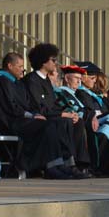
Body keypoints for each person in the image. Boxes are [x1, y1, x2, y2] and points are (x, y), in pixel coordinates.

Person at [0, 52, 74, 179]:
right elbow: (9, 107)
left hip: (22, 119)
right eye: (20, 66)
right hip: (9, 121)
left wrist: (35, 113)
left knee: (55, 122)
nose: (23, 69)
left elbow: (27, 104)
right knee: (48, 126)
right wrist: (30, 116)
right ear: (10, 66)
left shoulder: (17, 83)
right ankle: (50, 167)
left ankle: (61, 165)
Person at [23, 43, 89, 178]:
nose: (55, 63)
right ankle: (56, 165)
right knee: (62, 122)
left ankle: (74, 164)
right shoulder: (32, 80)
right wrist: (62, 114)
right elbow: (38, 107)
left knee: (78, 122)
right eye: (53, 60)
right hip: (37, 118)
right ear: (43, 61)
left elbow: (53, 104)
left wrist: (70, 113)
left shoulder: (46, 80)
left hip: (51, 115)